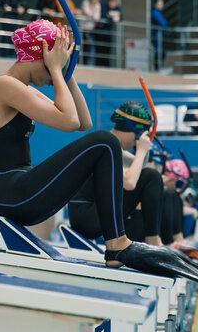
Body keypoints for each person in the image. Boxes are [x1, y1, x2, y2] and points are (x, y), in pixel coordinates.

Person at [0, 19, 198, 284]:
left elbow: (83, 122)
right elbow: (69, 121)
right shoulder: (1, 86)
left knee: (103, 144)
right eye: (52, 65)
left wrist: (67, 73)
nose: (53, 76)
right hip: (7, 195)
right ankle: (117, 243)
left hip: (20, 192)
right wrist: (55, 66)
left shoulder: (21, 90)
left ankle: (119, 242)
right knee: (104, 142)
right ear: (36, 55)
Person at [68, 102, 167, 246]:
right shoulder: (109, 145)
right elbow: (130, 183)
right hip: (88, 219)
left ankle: (152, 239)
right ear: (132, 132)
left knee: (149, 176)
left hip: (86, 216)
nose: (135, 144)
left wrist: (142, 151)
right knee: (152, 176)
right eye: (136, 140)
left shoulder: (109, 144)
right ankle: (153, 240)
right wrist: (141, 151)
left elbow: (139, 167)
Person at [80, 0, 102, 65]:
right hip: (83, 28)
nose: (97, 0)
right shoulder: (86, 2)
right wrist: (92, 14)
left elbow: (97, 17)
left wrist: (91, 14)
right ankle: (79, 62)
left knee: (88, 47)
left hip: (91, 29)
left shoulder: (98, 5)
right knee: (81, 45)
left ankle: (85, 63)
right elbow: (87, 13)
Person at [151, 0, 168, 71]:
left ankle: (159, 68)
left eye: (162, 4)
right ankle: (157, 69)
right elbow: (163, 24)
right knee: (159, 52)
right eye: (159, 4)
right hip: (158, 35)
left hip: (161, 35)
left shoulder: (159, 12)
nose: (161, 5)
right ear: (155, 4)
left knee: (162, 52)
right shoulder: (155, 12)